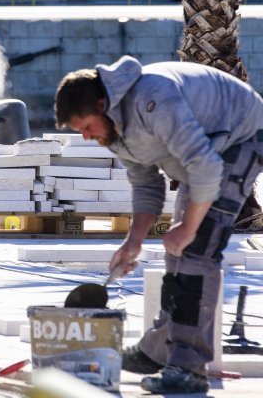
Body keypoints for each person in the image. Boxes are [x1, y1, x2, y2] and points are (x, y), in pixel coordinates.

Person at [54, 55, 263, 394]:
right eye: (80, 132)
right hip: (205, 155)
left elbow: (206, 168)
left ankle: (188, 367)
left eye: (87, 127)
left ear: (103, 104)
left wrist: (190, 227)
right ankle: (158, 351)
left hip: (241, 138)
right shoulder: (113, 131)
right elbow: (147, 185)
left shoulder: (155, 99)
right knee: (176, 250)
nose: (88, 137)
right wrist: (133, 241)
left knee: (197, 250)